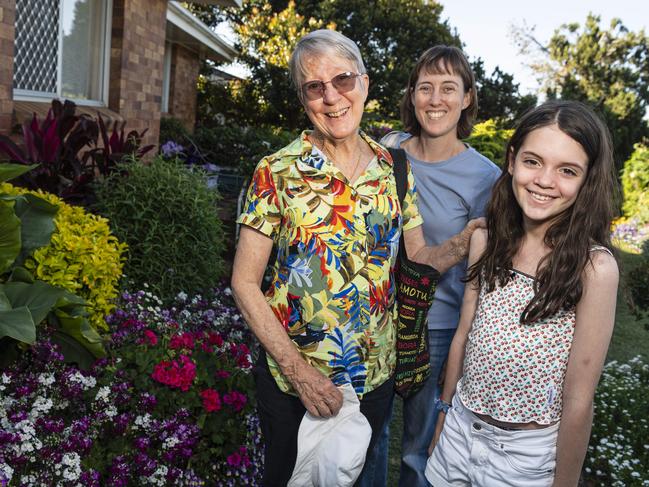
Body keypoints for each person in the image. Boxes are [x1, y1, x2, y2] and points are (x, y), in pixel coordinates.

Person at [230, 29, 484, 487]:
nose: (331, 97)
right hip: (297, 382)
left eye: (343, 80)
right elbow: (244, 282)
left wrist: (469, 237)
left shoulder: (393, 167)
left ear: (364, 84)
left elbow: (419, 255)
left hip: (374, 376)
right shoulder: (276, 171)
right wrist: (298, 370)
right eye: (314, 87)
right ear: (304, 98)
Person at [426, 100, 619, 487]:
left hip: (524, 458)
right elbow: (464, 334)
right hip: (460, 432)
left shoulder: (594, 268)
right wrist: (443, 419)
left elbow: (579, 399)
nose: (545, 180)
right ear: (512, 161)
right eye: (533, 161)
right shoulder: (485, 240)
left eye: (567, 170)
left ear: (586, 180)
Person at [367, 45, 500, 487]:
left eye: (449, 88)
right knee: (366, 435)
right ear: (412, 95)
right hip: (376, 318)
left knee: (419, 448)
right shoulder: (386, 153)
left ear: (466, 98)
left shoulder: (485, 177)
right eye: (425, 87)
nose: (436, 99)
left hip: (437, 327)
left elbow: (484, 268)